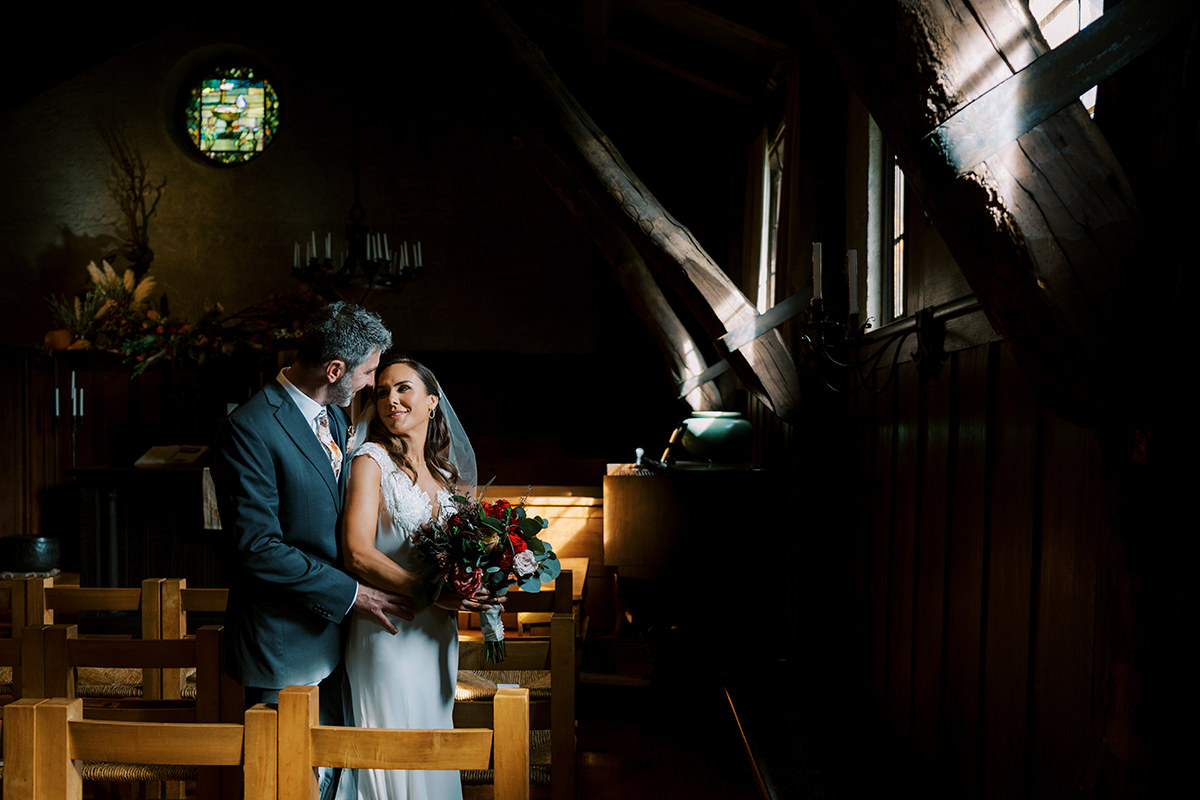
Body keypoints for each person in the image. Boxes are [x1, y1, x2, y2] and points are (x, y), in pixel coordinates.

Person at [212, 302, 412, 800]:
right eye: (368, 372)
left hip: (339, 640)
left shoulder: (334, 416)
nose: (372, 385)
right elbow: (256, 548)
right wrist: (353, 594)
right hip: (286, 643)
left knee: (334, 779)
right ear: (335, 370)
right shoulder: (250, 428)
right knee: (288, 785)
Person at [338, 354, 499, 800]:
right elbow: (356, 552)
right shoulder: (369, 462)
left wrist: (482, 582)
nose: (391, 399)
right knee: (394, 751)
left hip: (437, 638)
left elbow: (467, 554)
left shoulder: (446, 476)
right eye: (383, 390)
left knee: (432, 742)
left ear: (432, 402)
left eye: (403, 388)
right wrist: (430, 592)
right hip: (388, 630)